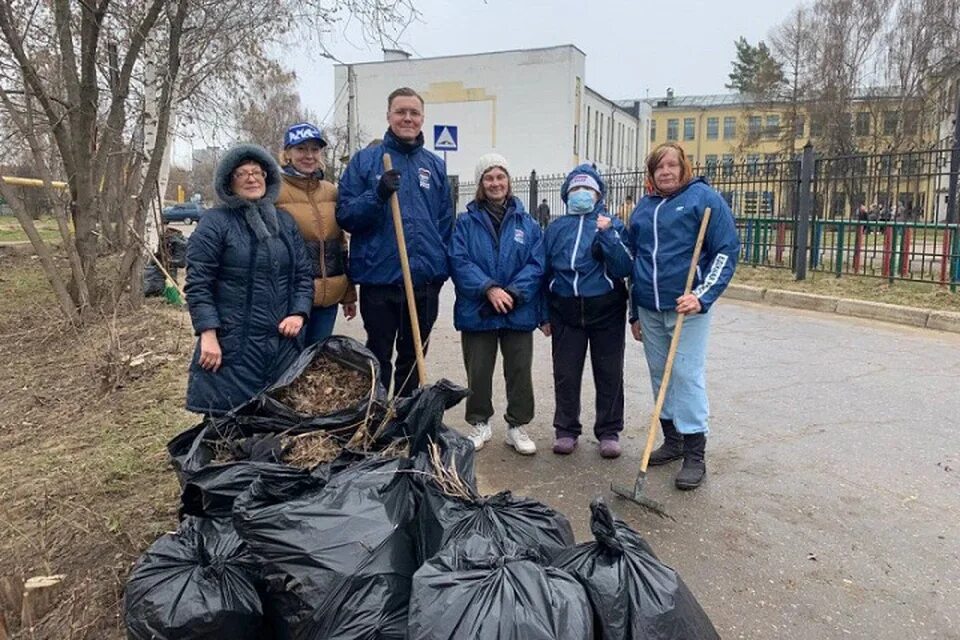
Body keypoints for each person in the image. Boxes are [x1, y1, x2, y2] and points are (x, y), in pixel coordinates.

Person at [628, 142, 739, 490]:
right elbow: (634, 263)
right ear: (652, 173)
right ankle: (672, 440)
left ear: (683, 167)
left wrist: (701, 296)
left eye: (672, 165)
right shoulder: (643, 210)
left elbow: (726, 250)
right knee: (661, 374)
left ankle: (695, 453)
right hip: (649, 307)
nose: (666, 171)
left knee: (686, 374)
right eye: (659, 167)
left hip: (686, 306)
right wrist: (634, 312)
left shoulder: (704, 199)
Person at [337, 87, 453, 397]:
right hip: (381, 279)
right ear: (388, 115)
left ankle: (403, 416)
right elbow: (346, 216)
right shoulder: (366, 162)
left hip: (424, 281)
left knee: (414, 357)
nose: (407, 118)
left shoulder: (435, 165)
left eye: (414, 113)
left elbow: (445, 223)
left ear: (422, 118)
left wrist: (437, 268)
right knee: (377, 355)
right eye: (401, 111)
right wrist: (377, 195)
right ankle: (375, 416)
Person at [185, 144, 314, 415]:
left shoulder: (284, 222)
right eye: (242, 174)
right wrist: (208, 334)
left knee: (277, 421)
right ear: (228, 182)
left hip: (280, 346)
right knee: (228, 425)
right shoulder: (215, 222)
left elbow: (303, 275)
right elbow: (199, 284)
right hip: (232, 345)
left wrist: (299, 313)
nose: (252, 178)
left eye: (257, 172)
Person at [450, 153, 545, 455]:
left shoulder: (527, 224)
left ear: (509, 181)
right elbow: (458, 261)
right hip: (478, 309)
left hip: (517, 310)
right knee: (478, 370)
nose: (495, 183)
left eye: (500, 176)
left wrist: (514, 293)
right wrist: (488, 288)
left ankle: (517, 425)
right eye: (489, 177)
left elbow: (536, 263)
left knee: (519, 370)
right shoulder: (465, 223)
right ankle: (480, 422)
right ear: (480, 183)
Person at [541, 164, 633, 458]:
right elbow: (542, 272)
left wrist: (607, 236)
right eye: (576, 189)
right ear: (567, 195)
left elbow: (624, 266)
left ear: (598, 194)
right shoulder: (555, 229)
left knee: (609, 372)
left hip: (606, 308)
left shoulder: (611, 224)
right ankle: (566, 429)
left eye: (588, 189)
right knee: (566, 373)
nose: (582, 194)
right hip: (565, 310)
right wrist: (543, 313)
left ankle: (609, 431)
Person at [276, 122, 357, 344]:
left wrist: (348, 294)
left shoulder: (331, 191)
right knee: (290, 365)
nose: (309, 155)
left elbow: (340, 245)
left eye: (314, 149)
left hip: (328, 299)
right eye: (301, 149)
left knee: (316, 365)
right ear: (287, 154)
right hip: (291, 301)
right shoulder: (274, 192)